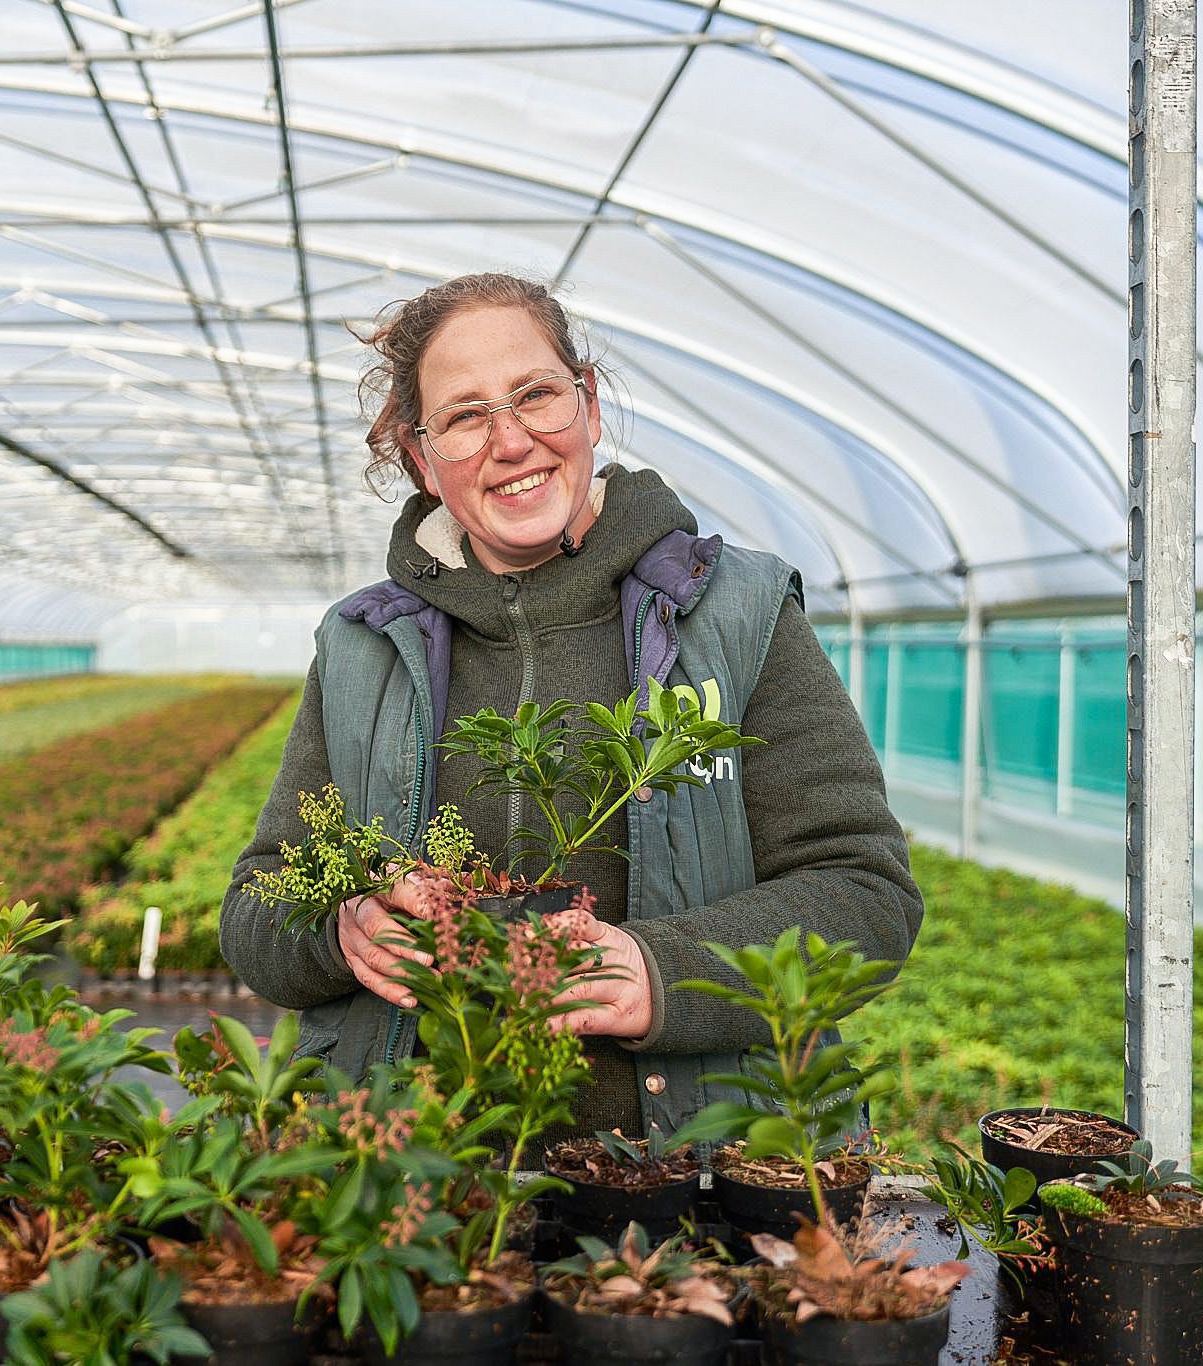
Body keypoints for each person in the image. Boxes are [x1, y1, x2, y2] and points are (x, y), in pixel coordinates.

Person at [219, 272, 921, 1145]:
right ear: (420, 457)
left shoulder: (733, 612)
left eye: (537, 395)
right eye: (465, 416)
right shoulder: (366, 647)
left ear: (587, 405)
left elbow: (866, 895)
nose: (510, 441)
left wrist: (660, 971)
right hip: (422, 1187)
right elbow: (255, 914)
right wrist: (342, 933)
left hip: (703, 1177)